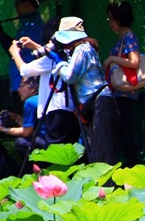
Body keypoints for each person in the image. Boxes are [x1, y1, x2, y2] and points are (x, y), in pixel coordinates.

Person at [50, 17, 120, 165]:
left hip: (101, 102)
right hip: (95, 104)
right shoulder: (79, 50)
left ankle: (109, 187)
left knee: (105, 154)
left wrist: (60, 64)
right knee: (96, 151)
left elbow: (70, 76)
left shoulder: (83, 49)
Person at [8, 18, 81, 155]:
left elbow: (25, 71)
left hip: (56, 112)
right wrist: (34, 46)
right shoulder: (70, 54)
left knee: (56, 155)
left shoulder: (51, 59)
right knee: (69, 153)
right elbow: (50, 54)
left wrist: (15, 53)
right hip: (71, 110)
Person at [0, 0, 44, 108]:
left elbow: (15, 51)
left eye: (18, 3)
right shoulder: (28, 25)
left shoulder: (32, 27)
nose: (15, 7)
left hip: (25, 87)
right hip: (22, 85)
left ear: (28, 4)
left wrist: (1, 36)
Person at [102, 1, 141, 165]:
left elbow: (134, 62)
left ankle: (133, 167)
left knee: (126, 132)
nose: (109, 22)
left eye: (111, 18)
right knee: (121, 132)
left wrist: (111, 59)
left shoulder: (129, 37)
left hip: (125, 92)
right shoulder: (122, 37)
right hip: (118, 92)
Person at [0, 76, 39, 154]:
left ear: (33, 89)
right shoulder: (41, 99)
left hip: (45, 141)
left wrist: (2, 129)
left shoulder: (30, 103)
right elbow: (31, 130)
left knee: (20, 143)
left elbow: (26, 132)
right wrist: (16, 117)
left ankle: (35, 165)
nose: (18, 90)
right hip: (51, 139)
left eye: (21, 86)